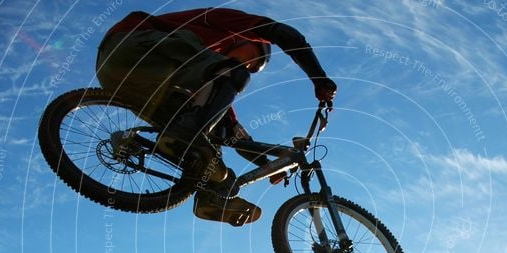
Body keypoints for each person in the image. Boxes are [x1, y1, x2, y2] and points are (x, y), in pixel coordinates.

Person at [96, 8, 338, 225]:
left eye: (253, 66)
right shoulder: (224, 27)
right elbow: (284, 34)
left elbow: (234, 130)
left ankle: (211, 196)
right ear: (247, 39)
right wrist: (319, 79)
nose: (248, 65)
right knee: (229, 77)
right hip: (132, 44)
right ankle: (183, 137)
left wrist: (267, 165)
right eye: (253, 57)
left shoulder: (207, 73)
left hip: (122, 78)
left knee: (211, 139)